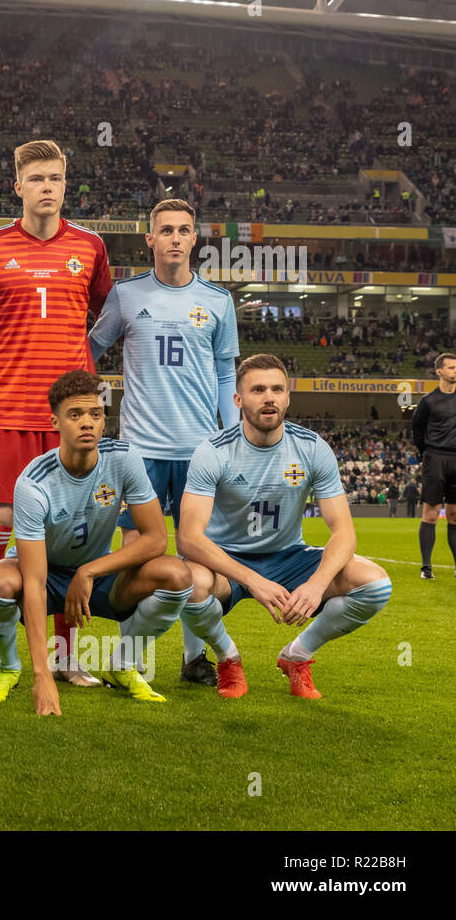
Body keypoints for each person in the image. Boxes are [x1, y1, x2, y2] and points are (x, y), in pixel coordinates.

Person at [0, 138, 112, 692]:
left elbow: (111, 316)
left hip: (70, 416)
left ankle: (67, 657)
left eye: (56, 179)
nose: (47, 188)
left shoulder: (90, 247)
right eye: (36, 179)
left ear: (66, 185)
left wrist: (81, 359)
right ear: (16, 185)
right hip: (8, 411)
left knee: (72, 537)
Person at [88, 198, 240, 688]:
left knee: (199, 557)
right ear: (149, 239)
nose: (175, 238)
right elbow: (88, 351)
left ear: (196, 239)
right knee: (138, 553)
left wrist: (231, 433)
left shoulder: (218, 301)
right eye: (166, 230)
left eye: (184, 230)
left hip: (200, 451)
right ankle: (128, 660)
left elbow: (224, 373)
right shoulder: (126, 295)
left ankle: (195, 658)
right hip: (140, 452)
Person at [177, 354, 392, 698]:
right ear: (238, 399)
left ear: (288, 397)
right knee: (187, 584)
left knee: (375, 585)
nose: (269, 398)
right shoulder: (213, 452)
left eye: (277, 389)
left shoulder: (312, 448)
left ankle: (297, 655)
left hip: (288, 555)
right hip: (226, 559)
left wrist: (317, 585)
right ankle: (227, 657)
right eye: (258, 389)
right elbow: (188, 538)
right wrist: (253, 580)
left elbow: (344, 531)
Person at [0, 370, 192, 713]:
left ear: (104, 419)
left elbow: (155, 540)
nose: (87, 423)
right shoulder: (33, 482)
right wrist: (43, 676)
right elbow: (33, 580)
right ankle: (10, 666)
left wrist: (89, 571)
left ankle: (123, 665)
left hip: (96, 574)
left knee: (177, 575)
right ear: (55, 422)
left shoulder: (124, 459)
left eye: (95, 414)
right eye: (75, 415)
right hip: (42, 576)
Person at [411, 351, 456, 579]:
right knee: (430, 514)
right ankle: (426, 568)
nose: (455, 371)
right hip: (435, 458)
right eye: (451, 367)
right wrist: (425, 453)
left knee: (455, 514)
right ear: (439, 371)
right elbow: (417, 430)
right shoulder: (428, 401)